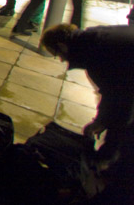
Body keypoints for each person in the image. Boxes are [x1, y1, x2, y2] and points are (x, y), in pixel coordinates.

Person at [41, 23, 134, 202]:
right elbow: (112, 91)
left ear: (62, 46)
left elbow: (123, 106)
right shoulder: (93, 40)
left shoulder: (97, 54)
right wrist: (101, 120)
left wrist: (106, 154)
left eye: (58, 55)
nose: (61, 60)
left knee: (125, 147)